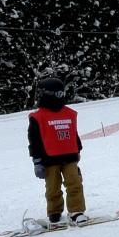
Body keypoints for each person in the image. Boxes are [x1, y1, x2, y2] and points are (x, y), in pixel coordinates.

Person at [28, 78, 87, 225]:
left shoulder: (69, 113)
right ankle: (54, 211)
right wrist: (37, 161)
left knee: (74, 183)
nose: (61, 96)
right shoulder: (38, 117)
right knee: (53, 187)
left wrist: (78, 149)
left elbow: (74, 133)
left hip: (70, 157)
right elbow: (34, 141)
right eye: (58, 93)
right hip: (49, 159)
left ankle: (76, 211)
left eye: (62, 93)